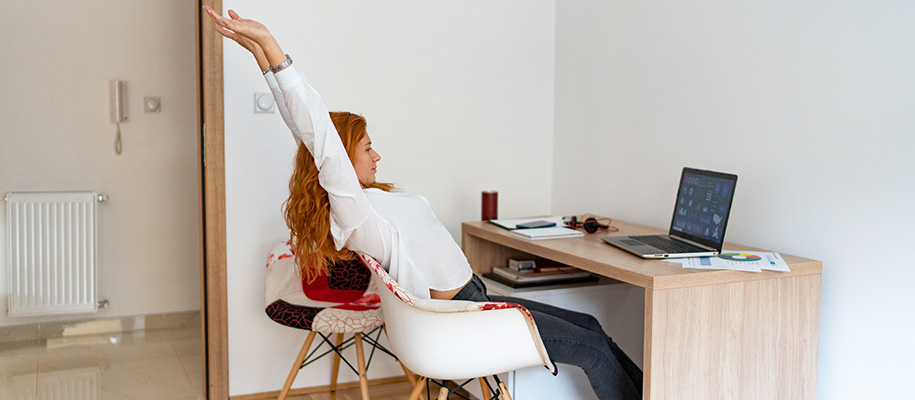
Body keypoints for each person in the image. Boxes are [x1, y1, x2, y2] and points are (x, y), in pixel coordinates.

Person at [204, 6, 642, 399]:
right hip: (464, 317)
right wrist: (271, 44)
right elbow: (318, 131)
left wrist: (258, 54)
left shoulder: (362, 203)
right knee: (593, 350)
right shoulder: (354, 211)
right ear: (339, 162)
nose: (377, 155)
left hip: (475, 302)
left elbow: (304, 130)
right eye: (367, 148)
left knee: (592, 328)